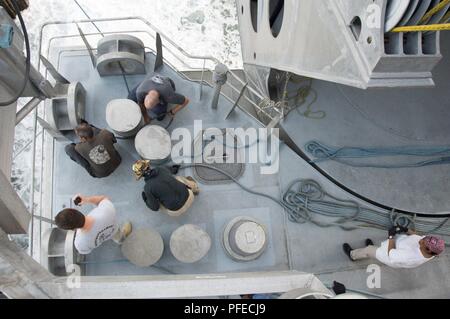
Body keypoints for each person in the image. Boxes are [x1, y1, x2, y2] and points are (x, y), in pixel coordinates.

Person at [54, 194, 132, 255]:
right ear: (76, 210)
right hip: (113, 230)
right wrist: (87, 199)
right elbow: (103, 198)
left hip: (99, 239)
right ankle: (121, 239)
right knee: (118, 236)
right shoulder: (106, 210)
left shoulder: (79, 244)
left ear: (72, 229)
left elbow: (87, 251)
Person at [343, 226, 445, 269]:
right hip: (396, 245)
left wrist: (391, 236)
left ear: (428, 250)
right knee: (376, 246)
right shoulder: (432, 249)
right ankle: (371, 247)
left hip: (388, 255)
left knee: (369, 250)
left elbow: (391, 253)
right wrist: (405, 229)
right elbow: (418, 236)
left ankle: (353, 255)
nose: (421, 239)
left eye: (423, 242)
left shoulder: (411, 257)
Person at [132, 160, 199, 217]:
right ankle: (195, 189)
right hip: (190, 196)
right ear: (148, 166)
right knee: (177, 178)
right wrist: (175, 168)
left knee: (155, 201)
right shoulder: (161, 168)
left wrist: (146, 200)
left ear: (141, 176)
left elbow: (155, 208)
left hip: (177, 211)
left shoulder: (147, 188)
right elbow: (173, 170)